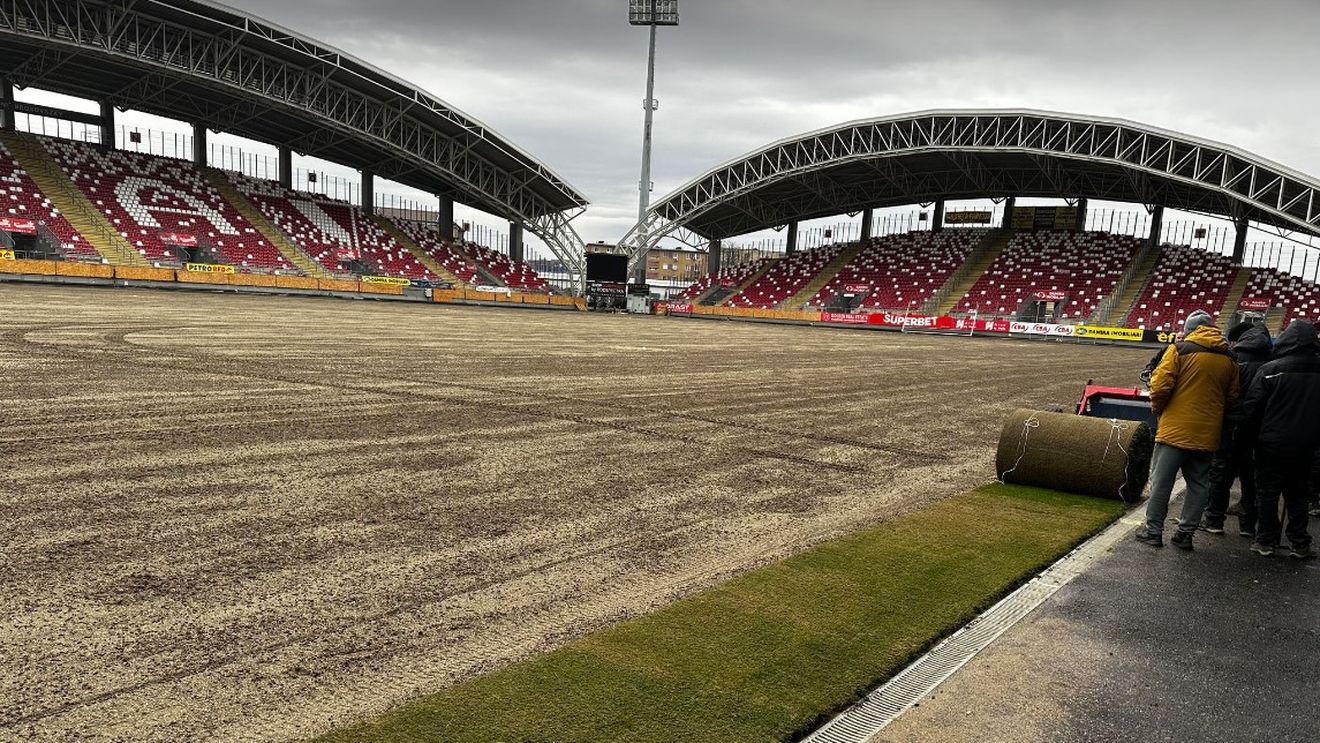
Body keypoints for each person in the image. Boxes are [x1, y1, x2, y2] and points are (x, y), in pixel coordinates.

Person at [1136, 310, 1240, 550]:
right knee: (1199, 485)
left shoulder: (1179, 350)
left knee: (1161, 482)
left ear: (1190, 330)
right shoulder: (1230, 357)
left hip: (1174, 430)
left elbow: (1160, 386)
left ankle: (1153, 531)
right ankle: (1185, 534)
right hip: (1208, 434)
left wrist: (1159, 410)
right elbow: (1232, 395)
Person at [1237, 319, 1320, 560]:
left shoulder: (1270, 369)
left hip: (1271, 443)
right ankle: (1299, 542)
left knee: (1267, 492)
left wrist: (1243, 441)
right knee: (1298, 493)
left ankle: (1265, 540)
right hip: (1306, 444)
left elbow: (1252, 410)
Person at [1201, 322, 1272, 537]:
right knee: (1253, 478)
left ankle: (1214, 519)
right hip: (1261, 429)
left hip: (1231, 425)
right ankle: (1248, 525)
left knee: (1221, 473)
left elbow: (1223, 394)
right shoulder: (1273, 361)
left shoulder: (1233, 359)